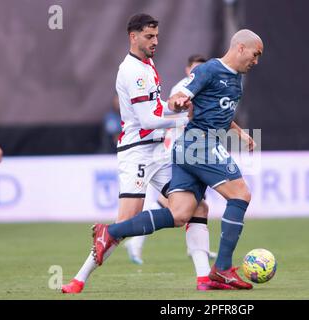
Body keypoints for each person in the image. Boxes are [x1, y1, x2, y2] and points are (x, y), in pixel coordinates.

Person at [62, 14, 228, 293]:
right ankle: (79, 280)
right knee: (124, 223)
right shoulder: (132, 71)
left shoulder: (146, 64)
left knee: (197, 207)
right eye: (149, 36)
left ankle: (204, 280)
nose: (155, 41)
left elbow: (154, 111)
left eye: (157, 36)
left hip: (157, 151)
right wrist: (185, 119)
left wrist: (174, 106)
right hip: (136, 154)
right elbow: (148, 121)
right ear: (133, 37)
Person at [92, 29, 263, 290]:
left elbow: (222, 115)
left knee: (180, 213)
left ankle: (111, 232)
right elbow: (181, 94)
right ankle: (223, 268)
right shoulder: (209, 70)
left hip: (190, 148)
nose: (256, 60)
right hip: (198, 144)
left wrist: (241, 134)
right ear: (240, 48)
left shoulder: (236, 79)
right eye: (255, 54)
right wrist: (178, 100)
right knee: (241, 194)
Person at [124, 54, 218, 265]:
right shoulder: (182, 88)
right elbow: (167, 115)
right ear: (187, 70)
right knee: (186, 202)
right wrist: (188, 120)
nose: (197, 73)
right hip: (176, 149)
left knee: (189, 202)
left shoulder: (205, 86)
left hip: (193, 148)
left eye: (201, 69)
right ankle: (133, 239)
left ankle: (195, 249)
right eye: (194, 69)